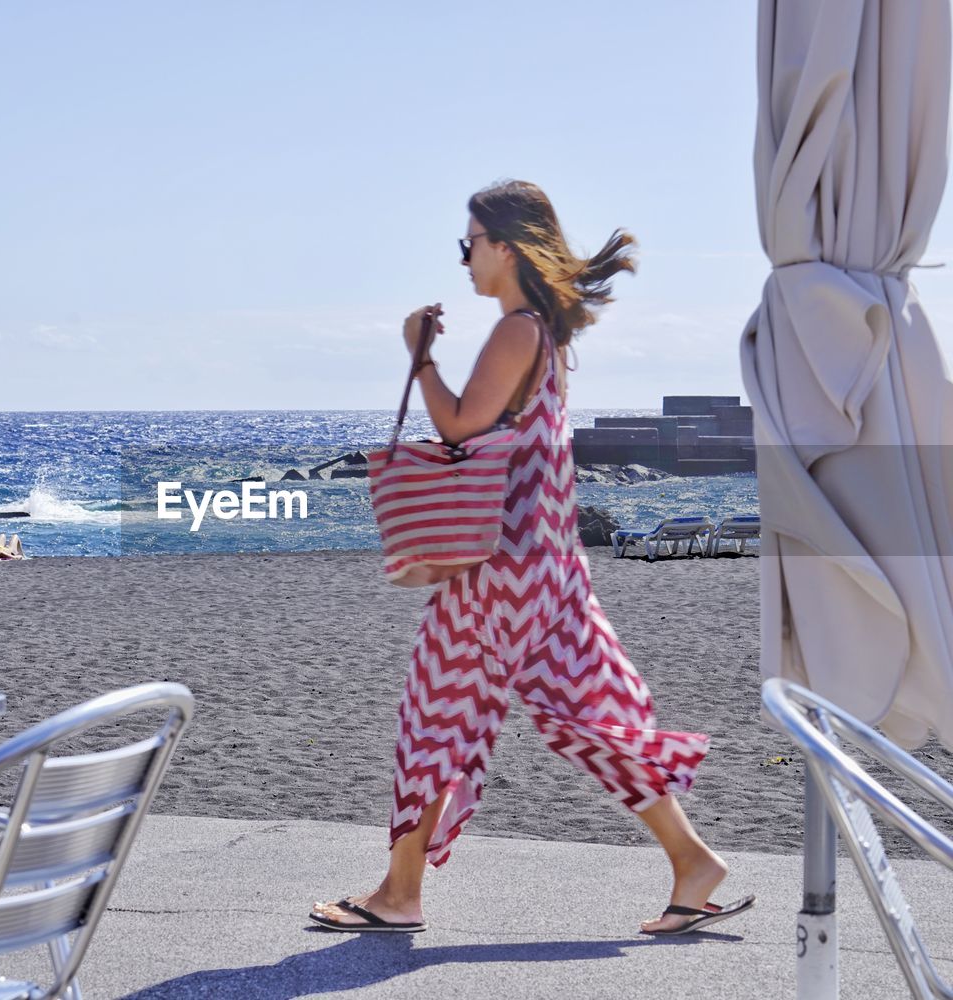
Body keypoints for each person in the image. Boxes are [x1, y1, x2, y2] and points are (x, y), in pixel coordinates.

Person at [310, 180, 753, 937]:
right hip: (544, 566)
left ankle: (398, 895)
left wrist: (419, 358)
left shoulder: (518, 330)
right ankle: (691, 862)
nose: (463, 259)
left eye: (469, 242)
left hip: (497, 575)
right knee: (581, 718)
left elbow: (457, 428)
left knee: (437, 719)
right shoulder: (544, 334)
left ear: (504, 246)